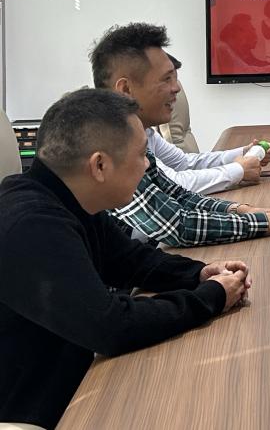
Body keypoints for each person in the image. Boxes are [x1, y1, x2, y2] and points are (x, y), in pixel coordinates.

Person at [0, 89, 250, 429]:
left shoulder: (65, 198)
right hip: (35, 410)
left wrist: (200, 273)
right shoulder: (32, 224)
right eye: (142, 155)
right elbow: (109, 327)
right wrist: (212, 297)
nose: (147, 165)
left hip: (72, 381)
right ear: (100, 165)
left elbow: (131, 260)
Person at [92, 22, 270, 246]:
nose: (177, 88)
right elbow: (178, 227)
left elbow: (178, 194)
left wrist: (239, 209)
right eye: (166, 79)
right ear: (126, 89)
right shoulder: (109, 144)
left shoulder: (135, 132)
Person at [150, 52, 270, 194]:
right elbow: (171, 184)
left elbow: (184, 163)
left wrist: (244, 153)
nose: (177, 88)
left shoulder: (146, 133)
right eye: (166, 79)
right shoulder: (129, 140)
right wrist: (239, 170)